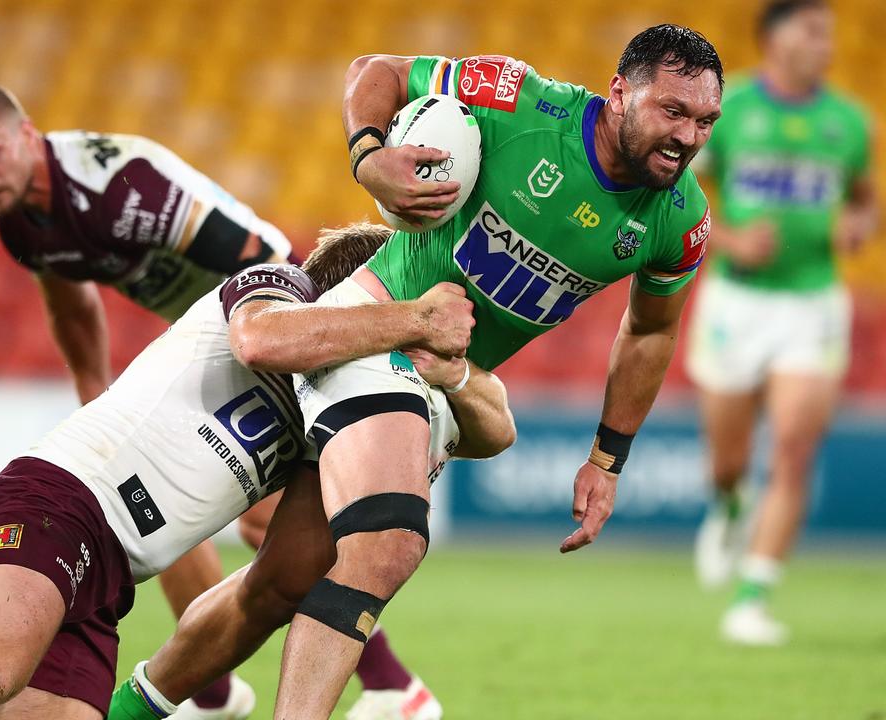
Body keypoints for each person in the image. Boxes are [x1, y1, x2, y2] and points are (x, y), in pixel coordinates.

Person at [0, 224, 515, 720]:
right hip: (60, 504)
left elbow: (494, 430)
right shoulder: (274, 287)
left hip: (110, 578)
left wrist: (447, 370)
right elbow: (262, 340)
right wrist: (411, 321)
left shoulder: (333, 398)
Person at [234, 25, 723, 717]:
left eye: (705, 121)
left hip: (433, 378)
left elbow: (648, 332)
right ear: (619, 93)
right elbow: (379, 70)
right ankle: (391, 693)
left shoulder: (682, 221)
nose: (688, 137)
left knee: (278, 583)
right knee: (380, 541)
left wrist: (606, 462)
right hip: (369, 328)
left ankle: (166, 697)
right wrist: (370, 159)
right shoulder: (519, 101)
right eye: (672, 112)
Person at [0, 84, 437, 717]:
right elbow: (69, 294)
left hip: (273, 327)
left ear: (27, 135)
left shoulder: (120, 189)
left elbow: (265, 259)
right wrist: (94, 389)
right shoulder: (21, 219)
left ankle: (391, 686)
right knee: (151, 495)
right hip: (219, 342)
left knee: (272, 526)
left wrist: (302, 345)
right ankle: (220, 688)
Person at [688, 0, 876, 646]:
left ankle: (752, 596)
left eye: (829, 32)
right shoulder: (728, 110)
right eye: (812, 30)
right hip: (736, 303)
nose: (826, 42)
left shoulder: (850, 122)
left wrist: (861, 223)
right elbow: (676, 194)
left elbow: (863, 196)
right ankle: (727, 503)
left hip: (812, 302)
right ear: (773, 37)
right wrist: (730, 239)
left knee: (794, 449)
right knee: (729, 458)